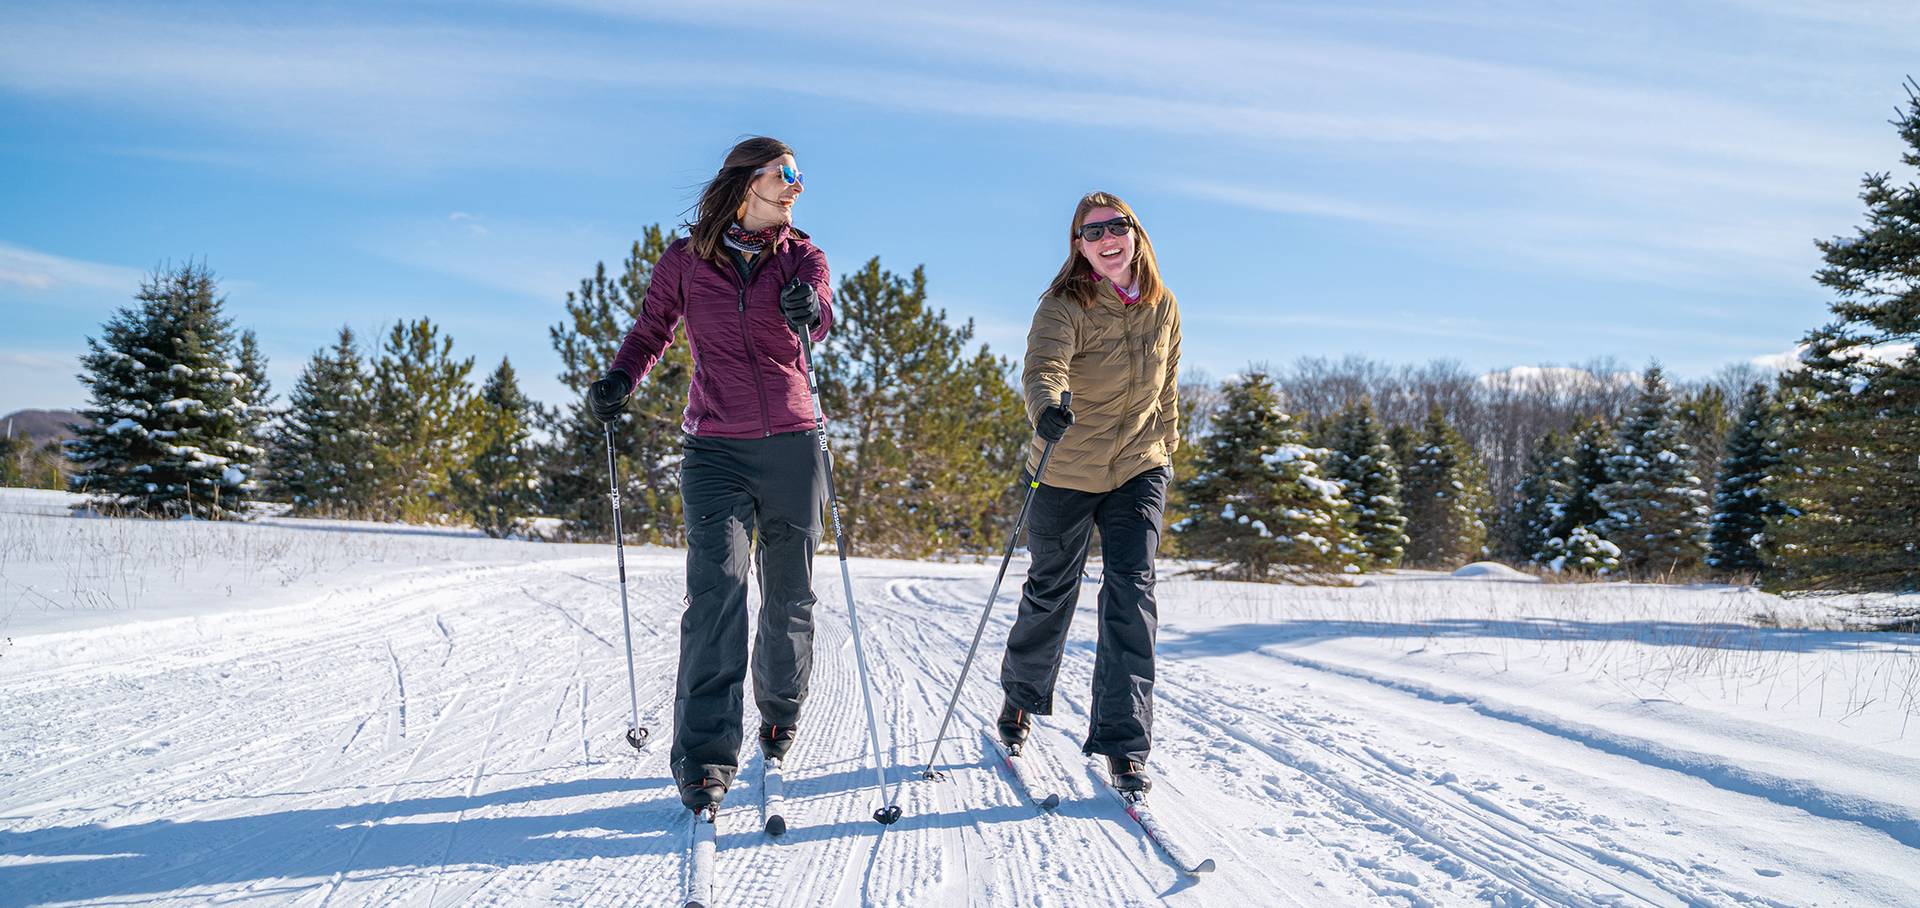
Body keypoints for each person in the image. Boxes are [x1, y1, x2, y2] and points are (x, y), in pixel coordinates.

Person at [587, 136, 832, 813]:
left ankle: (780, 710)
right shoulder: (687, 261)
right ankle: (703, 758)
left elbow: (823, 310)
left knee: (789, 597)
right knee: (717, 591)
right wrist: (620, 377)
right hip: (715, 450)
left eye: (800, 176)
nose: (797, 186)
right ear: (746, 182)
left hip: (793, 444)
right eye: (785, 174)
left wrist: (810, 312)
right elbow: (651, 330)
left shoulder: (803, 257)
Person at [998, 191, 1181, 794]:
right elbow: (1043, 368)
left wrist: (1167, 448)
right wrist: (1046, 407)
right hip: (1065, 467)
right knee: (1052, 589)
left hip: (1137, 466)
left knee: (1132, 589)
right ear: (1077, 244)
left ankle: (1125, 744)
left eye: (1116, 227)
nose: (1106, 239)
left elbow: (1169, 385)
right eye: (1091, 231)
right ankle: (1022, 698)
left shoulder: (1163, 305)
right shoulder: (1064, 304)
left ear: (1135, 232)